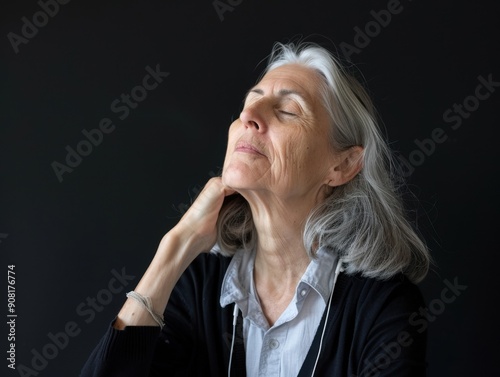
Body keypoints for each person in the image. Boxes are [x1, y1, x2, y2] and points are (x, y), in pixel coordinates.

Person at [80, 40, 431, 377]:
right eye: (250, 102)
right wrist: (174, 250)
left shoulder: (383, 306)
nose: (248, 116)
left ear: (342, 165)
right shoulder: (199, 286)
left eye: (287, 111)